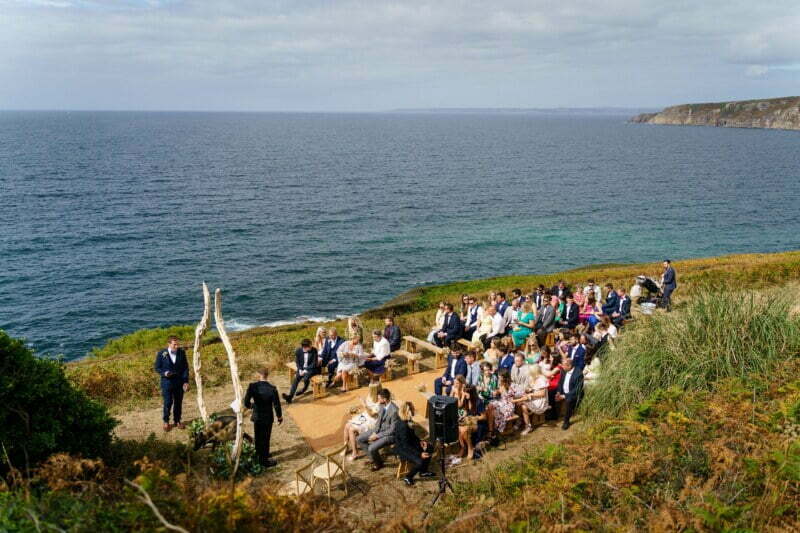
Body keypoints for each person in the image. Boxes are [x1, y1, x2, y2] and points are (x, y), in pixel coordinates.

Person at [243, 367, 283, 467]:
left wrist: (252, 406)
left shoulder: (252, 386)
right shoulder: (272, 389)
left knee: (258, 436)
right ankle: (264, 460)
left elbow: (246, 402)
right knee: (265, 438)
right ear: (267, 375)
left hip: (257, 415)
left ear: (258, 375)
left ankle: (259, 454)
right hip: (267, 417)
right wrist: (279, 417)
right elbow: (277, 405)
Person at [357, 388, 399, 470]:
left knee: (371, 448)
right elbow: (379, 421)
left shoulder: (394, 411)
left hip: (389, 435)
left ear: (385, 399)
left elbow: (392, 430)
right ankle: (374, 458)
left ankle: (379, 464)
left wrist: (377, 436)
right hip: (379, 430)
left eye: (379, 398)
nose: (378, 400)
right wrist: (374, 432)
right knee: (359, 439)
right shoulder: (381, 405)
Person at [394, 401, 434, 485]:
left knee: (429, 447)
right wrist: (420, 454)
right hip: (403, 450)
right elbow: (406, 445)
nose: (414, 410)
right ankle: (408, 477)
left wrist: (421, 441)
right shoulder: (403, 426)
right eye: (412, 409)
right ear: (408, 411)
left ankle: (423, 471)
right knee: (420, 461)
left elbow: (412, 436)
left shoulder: (406, 421)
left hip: (410, 445)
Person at [154, 336, 190, 431]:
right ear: (169, 344)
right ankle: (166, 422)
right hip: (167, 383)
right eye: (175, 344)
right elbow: (157, 368)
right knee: (168, 402)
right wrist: (164, 373)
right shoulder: (162, 354)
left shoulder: (181, 353)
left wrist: (185, 381)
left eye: (178, 344)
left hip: (179, 382)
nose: (177, 346)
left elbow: (185, 368)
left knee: (178, 403)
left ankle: (177, 421)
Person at [344, 382, 382, 460]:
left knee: (351, 429)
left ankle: (355, 453)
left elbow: (372, 414)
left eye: (371, 389)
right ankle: (345, 447)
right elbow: (367, 407)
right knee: (347, 425)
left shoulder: (380, 401)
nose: (369, 390)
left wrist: (364, 404)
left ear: (374, 390)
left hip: (373, 421)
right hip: (366, 416)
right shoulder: (370, 396)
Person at [513, 364, 549, 435]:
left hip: (540, 402)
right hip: (536, 399)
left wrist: (531, 394)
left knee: (522, 405)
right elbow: (535, 389)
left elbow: (542, 394)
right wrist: (530, 390)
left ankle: (527, 426)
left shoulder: (541, 380)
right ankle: (521, 420)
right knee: (519, 402)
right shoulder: (536, 378)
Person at [282, 339, 319, 404]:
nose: (311, 347)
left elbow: (314, 363)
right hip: (301, 369)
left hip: (311, 369)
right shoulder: (298, 351)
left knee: (305, 378)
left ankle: (304, 389)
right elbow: (297, 362)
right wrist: (300, 370)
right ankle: (290, 397)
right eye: (309, 347)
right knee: (296, 379)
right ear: (304, 347)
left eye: (310, 346)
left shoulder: (314, 350)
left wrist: (305, 370)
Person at [555, 358, 583, 430]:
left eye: (563, 365)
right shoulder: (564, 371)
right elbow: (560, 383)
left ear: (569, 366)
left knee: (569, 401)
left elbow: (577, 389)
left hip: (573, 394)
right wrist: (558, 392)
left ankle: (566, 421)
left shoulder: (578, 373)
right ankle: (554, 415)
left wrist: (564, 396)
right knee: (552, 394)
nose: (562, 367)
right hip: (564, 392)